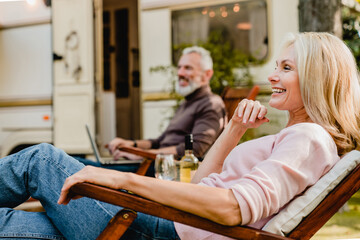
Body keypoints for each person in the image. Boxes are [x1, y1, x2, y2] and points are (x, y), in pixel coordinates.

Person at [0, 32, 359, 240]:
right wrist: (234, 129)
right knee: (12, 226)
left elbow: (233, 209)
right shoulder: (300, 136)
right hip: (164, 222)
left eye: (286, 68)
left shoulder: (309, 138)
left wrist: (120, 180)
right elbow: (203, 183)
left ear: (315, 79)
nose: (272, 76)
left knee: (40, 159)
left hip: (154, 229)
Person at [77, 46, 226, 174]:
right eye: (179, 67)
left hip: (165, 171)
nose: (180, 73)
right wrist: (132, 145)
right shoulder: (188, 103)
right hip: (152, 164)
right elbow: (159, 141)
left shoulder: (211, 105)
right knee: (77, 163)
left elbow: (195, 150)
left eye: (188, 68)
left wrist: (145, 155)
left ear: (207, 74)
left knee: (79, 166)